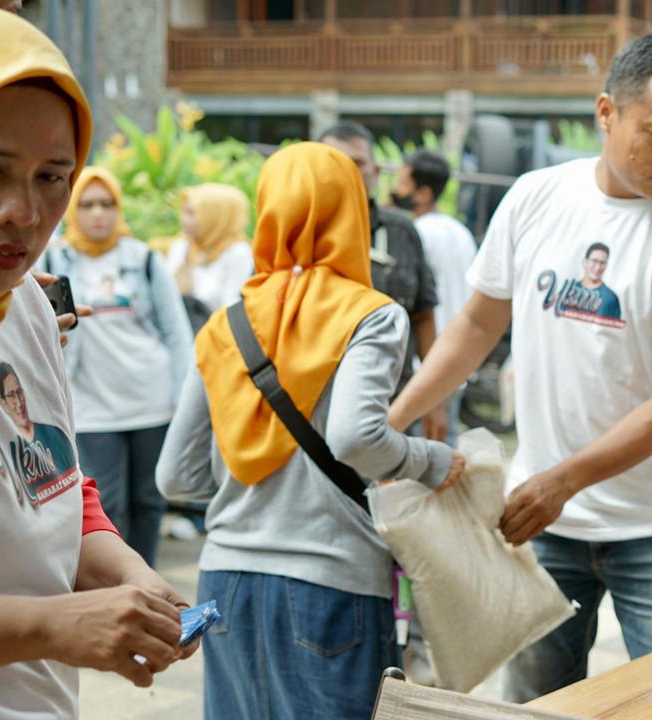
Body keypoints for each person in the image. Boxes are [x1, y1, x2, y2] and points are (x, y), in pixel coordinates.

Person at [388, 34, 652, 702]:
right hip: (543, 527)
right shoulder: (534, 198)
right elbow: (474, 325)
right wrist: (393, 419)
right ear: (606, 113)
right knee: (534, 709)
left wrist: (564, 480)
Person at [155, 142, 461, 719]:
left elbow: (175, 475)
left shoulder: (228, 322)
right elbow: (354, 438)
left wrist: (253, 494)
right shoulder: (371, 314)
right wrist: (431, 460)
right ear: (351, 210)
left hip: (224, 582)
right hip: (332, 581)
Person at [0, 7, 194, 717]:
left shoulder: (25, 304)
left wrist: (128, 573)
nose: (22, 213)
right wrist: (53, 624)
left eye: (52, 176)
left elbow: (51, 480)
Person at [39, 166, 193, 568]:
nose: (97, 214)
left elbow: (177, 334)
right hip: (91, 406)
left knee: (148, 501)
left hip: (150, 400)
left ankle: (149, 583)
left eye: (107, 204)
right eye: (87, 204)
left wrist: (183, 399)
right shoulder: (53, 258)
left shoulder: (143, 259)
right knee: (107, 506)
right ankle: (120, 588)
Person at [318, 122, 448, 440]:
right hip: (312, 412)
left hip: (391, 413)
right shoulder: (295, 233)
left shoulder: (402, 232)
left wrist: (434, 403)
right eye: (334, 161)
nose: (347, 171)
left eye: (357, 163)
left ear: (374, 171)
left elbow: (423, 316)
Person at [391, 149, 477, 443]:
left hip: (424, 364)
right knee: (444, 451)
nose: (395, 190)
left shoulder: (415, 233)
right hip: (458, 359)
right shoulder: (460, 232)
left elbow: (417, 304)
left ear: (423, 193)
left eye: (402, 182)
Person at [164, 182, 253, 326]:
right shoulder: (183, 246)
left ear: (215, 216)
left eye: (192, 213)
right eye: (184, 212)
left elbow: (230, 307)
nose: (184, 220)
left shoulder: (237, 252)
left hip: (214, 335)